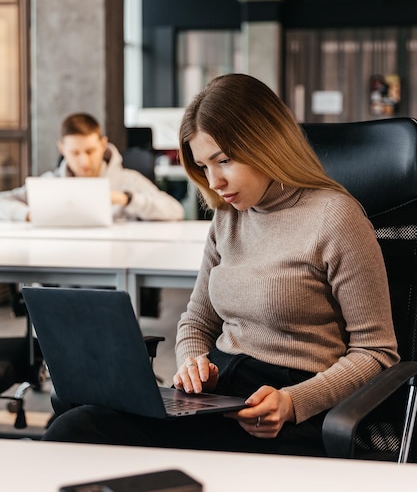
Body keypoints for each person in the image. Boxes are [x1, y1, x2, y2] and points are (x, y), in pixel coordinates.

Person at [42, 74, 399, 456]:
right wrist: (193, 361)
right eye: (203, 167)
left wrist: (294, 402)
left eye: (223, 161)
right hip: (221, 396)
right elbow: (196, 320)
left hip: (287, 408)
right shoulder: (229, 215)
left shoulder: (335, 217)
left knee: (77, 428)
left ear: (267, 143)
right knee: (72, 400)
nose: (215, 182)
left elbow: (377, 352)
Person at [0, 112, 184, 222]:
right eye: (75, 153)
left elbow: (175, 211)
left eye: (90, 151)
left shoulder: (128, 180)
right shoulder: (52, 183)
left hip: (115, 266)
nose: (84, 161)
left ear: (103, 145)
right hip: (65, 266)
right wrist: (28, 215)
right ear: (62, 149)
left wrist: (126, 199)